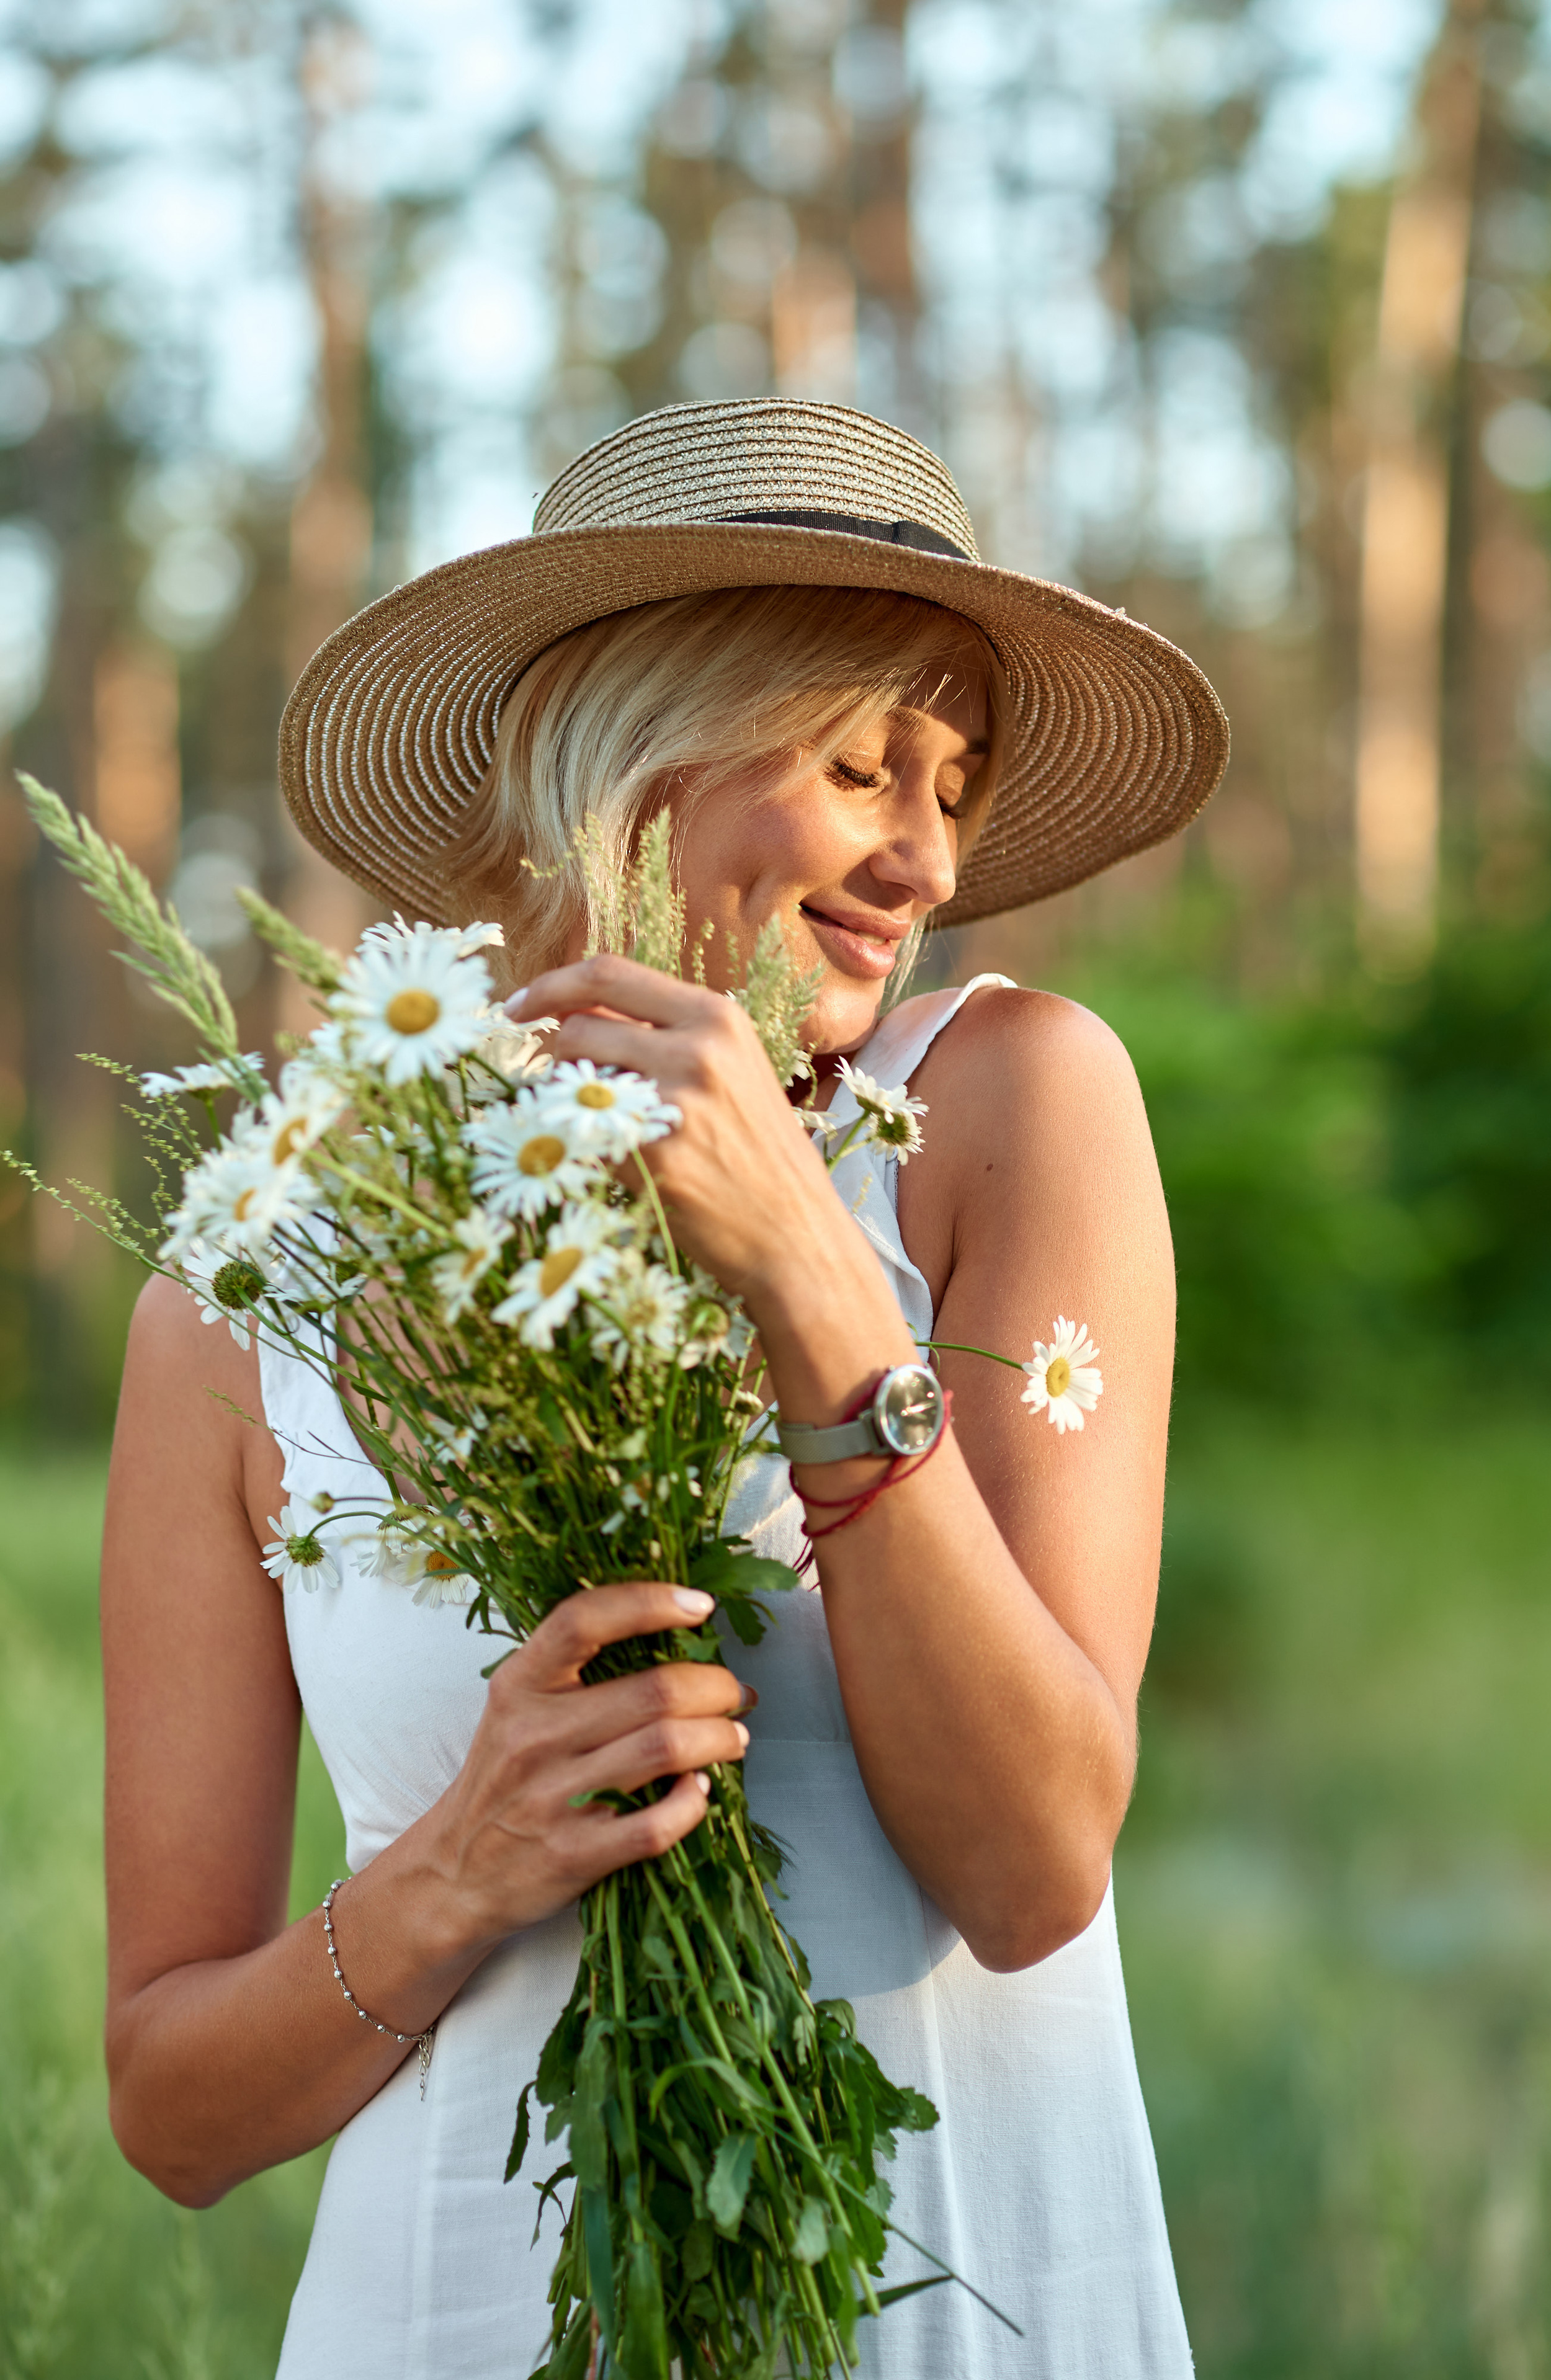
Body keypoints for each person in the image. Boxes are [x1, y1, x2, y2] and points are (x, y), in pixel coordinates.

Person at [101, 398, 1228, 2378]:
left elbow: (1038, 1866)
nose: (927, 853)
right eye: (863, 762)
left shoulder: (1009, 1107)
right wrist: (456, 1871)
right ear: (628, 757)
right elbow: (172, 2111)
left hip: (945, 2304)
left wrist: (813, 1278)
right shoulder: (247, 1287)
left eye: (954, 784)